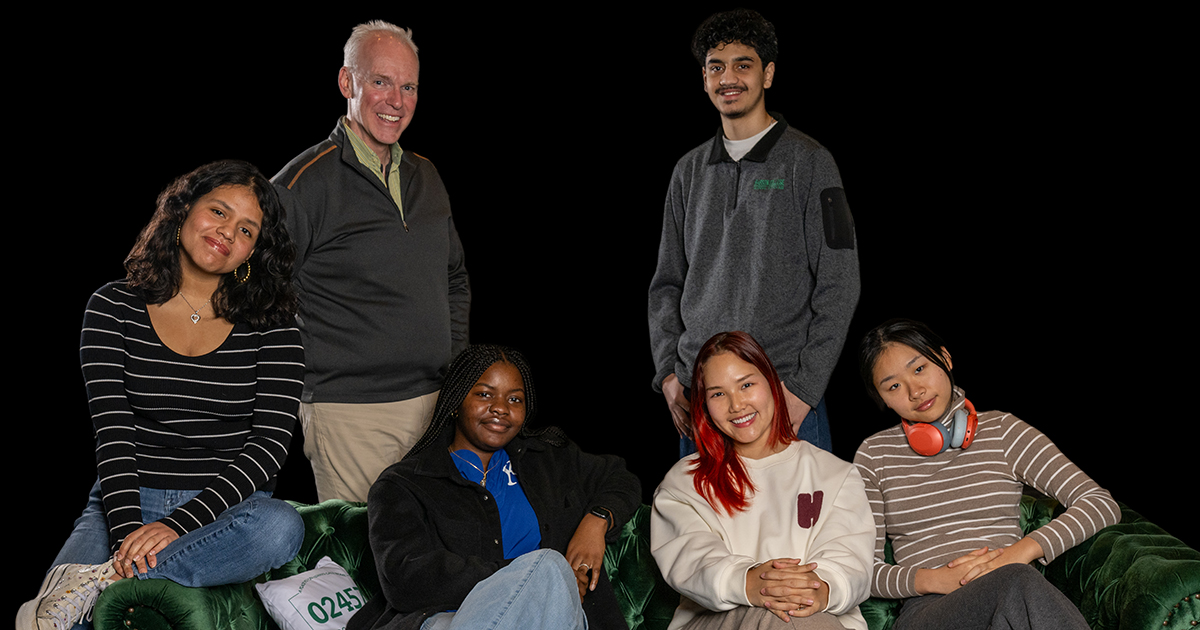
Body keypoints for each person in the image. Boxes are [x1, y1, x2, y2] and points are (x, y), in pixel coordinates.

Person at [16, 160, 306, 630]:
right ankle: (115, 577)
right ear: (184, 209)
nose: (228, 233)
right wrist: (130, 530)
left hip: (226, 513)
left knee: (281, 527)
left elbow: (268, 449)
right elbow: (114, 434)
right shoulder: (113, 307)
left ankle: (103, 583)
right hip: (128, 496)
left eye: (247, 230)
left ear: (255, 251)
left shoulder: (275, 327)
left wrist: (176, 526)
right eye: (218, 211)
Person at [272, 20, 471, 502]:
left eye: (409, 87)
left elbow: (454, 280)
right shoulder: (301, 185)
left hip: (436, 407)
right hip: (352, 413)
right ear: (347, 83)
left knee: (434, 560)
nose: (397, 101)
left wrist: (456, 373)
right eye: (381, 82)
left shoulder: (426, 175)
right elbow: (256, 293)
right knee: (368, 565)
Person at [648, 8, 859, 458]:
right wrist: (669, 375)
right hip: (702, 398)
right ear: (703, 79)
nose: (729, 78)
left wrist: (804, 387)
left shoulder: (810, 162)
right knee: (706, 529)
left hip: (783, 395)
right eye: (715, 67)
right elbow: (666, 284)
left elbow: (840, 282)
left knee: (801, 530)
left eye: (743, 65)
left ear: (768, 73)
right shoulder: (687, 171)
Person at [348, 345, 641, 630]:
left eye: (515, 399)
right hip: (448, 618)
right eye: (485, 395)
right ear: (456, 401)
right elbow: (405, 579)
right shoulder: (404, 484)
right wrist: (528, 577)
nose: (501, 408)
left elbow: (619, 476)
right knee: (549, 564)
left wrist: (596, 521)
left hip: (552, 617)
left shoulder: (547, 459)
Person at [853, 318, 1120, 629]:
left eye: (919, 368)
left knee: (1016, 583)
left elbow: (1099, 503)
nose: (915, 391)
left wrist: (1015, 555)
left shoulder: (1003, 430)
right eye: (894, 385)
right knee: (1017, 584)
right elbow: (862, 569)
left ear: (945, 358)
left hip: (1012, 595)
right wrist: (937, 579)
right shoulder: (874, 455)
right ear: (881, 397)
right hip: (929, 612)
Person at [651, 331, 874, 630]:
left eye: (746, 385)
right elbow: (692, 560)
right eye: (718, 393)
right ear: (703, 404)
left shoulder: (836, 474)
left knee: (797, 620)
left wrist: (819, 587)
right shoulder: (684, 481)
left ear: (771, 383)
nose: (736, 404)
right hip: (716, 622)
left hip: (818, 617)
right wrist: (750, 581)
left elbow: (849, 559)